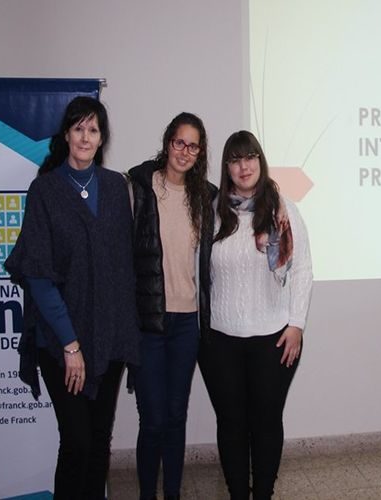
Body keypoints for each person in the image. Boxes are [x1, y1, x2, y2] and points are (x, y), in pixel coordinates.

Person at [5, 96, 139, 500]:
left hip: (109, 337)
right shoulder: (44, 190)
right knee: (77, 441)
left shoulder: (115, 187)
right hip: (60, 340)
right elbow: (38, 275)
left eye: (93, 130)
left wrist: (126, 333)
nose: (85, 137)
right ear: (66, 135)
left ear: (102, 138)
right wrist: (70, 345)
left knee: (99, 441)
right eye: (78, 128)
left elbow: (122, 267)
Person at [198, 130, 313, 500]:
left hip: (273, 339)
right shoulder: (212, 213)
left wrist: (297, 324)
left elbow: (302, 270)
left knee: (265, 422)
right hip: (220, 340)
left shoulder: (283, 210)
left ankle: (263, 493)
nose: (243, 166)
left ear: (260, 162)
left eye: (250, 157)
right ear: (226, 167)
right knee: (231, 423)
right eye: (235, 160)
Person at [127, 112, 216, 500]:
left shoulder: (206, 197)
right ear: (167, 143)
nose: (185, 152)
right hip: (149, 323)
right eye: (180, 142)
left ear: (200, 153)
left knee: (176, 417)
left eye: (193, 146)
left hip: (186, 324)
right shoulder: (140, 187)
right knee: (152, 420)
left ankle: (173, 494)